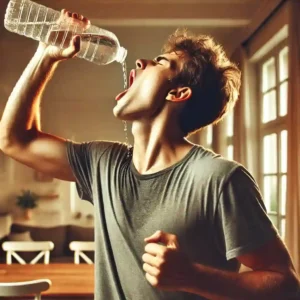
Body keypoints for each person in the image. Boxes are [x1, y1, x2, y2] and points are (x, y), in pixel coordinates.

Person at [0, 9, 299, 300]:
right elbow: (14, 139)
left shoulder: (220, 179)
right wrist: (46, 54)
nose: (140, 62)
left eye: (160, 62)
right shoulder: (103, 163)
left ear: (178, 93)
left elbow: (285, 285)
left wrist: (192, 277)